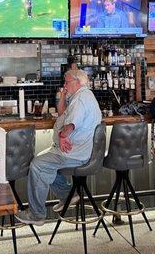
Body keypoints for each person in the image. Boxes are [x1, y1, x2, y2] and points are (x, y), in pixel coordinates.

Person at [15, 69, 101, 226]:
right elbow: (63, 114)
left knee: (38, 165)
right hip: (76, 151)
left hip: (73, 153)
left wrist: (63, 136)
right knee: (43, 159)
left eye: (67, 82)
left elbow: (71, 124)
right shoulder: (81, 96)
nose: (64, 85)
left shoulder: (81, 100)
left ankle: (37, 215)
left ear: (78, 82)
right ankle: (68, 195)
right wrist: (63, 95)